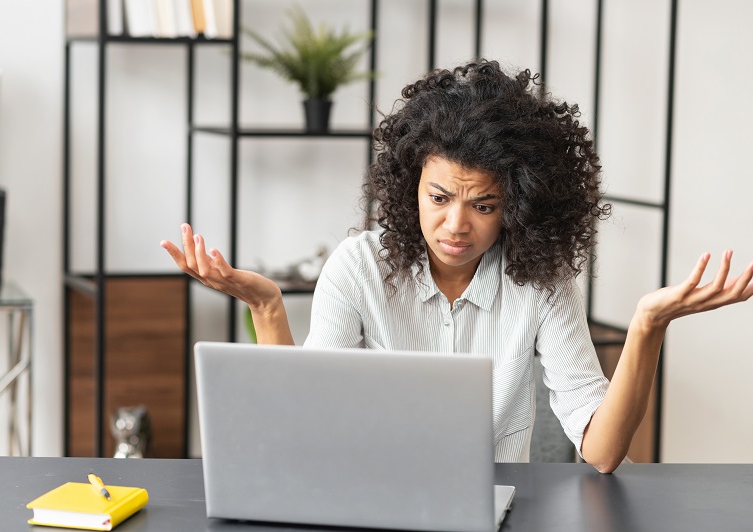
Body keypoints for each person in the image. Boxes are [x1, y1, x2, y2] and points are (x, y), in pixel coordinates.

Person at [161, 59, 753, 474]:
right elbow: (302, 428)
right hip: (362, 502)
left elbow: (601, 453)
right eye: (439, 198)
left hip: (494, 507)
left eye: (484, 205)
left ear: (516, 206)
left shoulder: (541, 283)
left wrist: (647, 325)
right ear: (409, 186)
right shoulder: (358, 266)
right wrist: (268, 305)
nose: (455, 226)